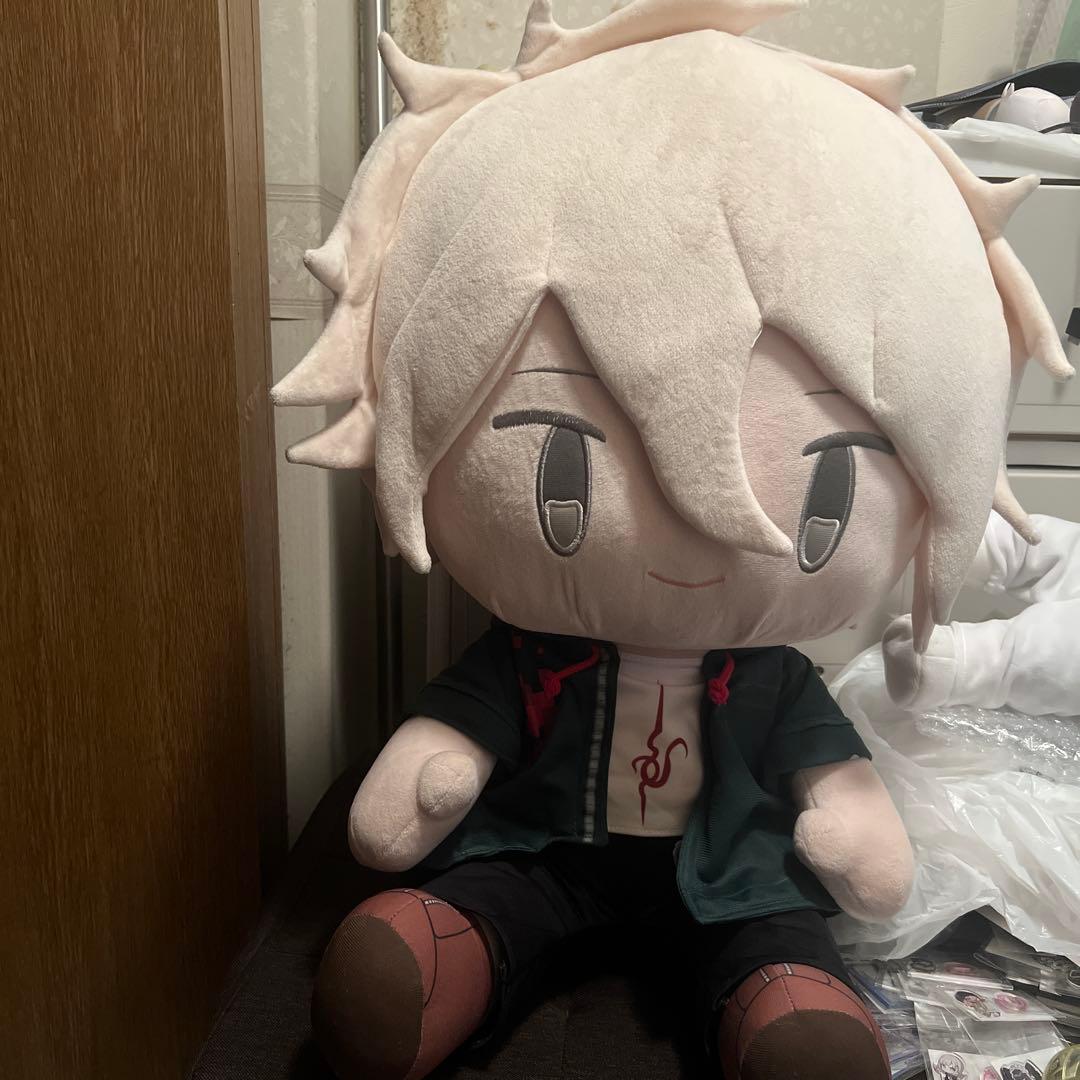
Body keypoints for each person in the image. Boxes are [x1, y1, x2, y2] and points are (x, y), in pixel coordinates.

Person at [270, 1, 1071, 1078]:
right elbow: (443, 750)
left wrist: (848, 829)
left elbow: (845, 809)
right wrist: (434, 772)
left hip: (734, 878)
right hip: (543, 852)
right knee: (471, 907)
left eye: (825, 490)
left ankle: (779, 1011)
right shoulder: (532, 657)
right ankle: (435, 962)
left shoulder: (772, 681)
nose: (699, 535)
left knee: (778, 952)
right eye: (561, 468)